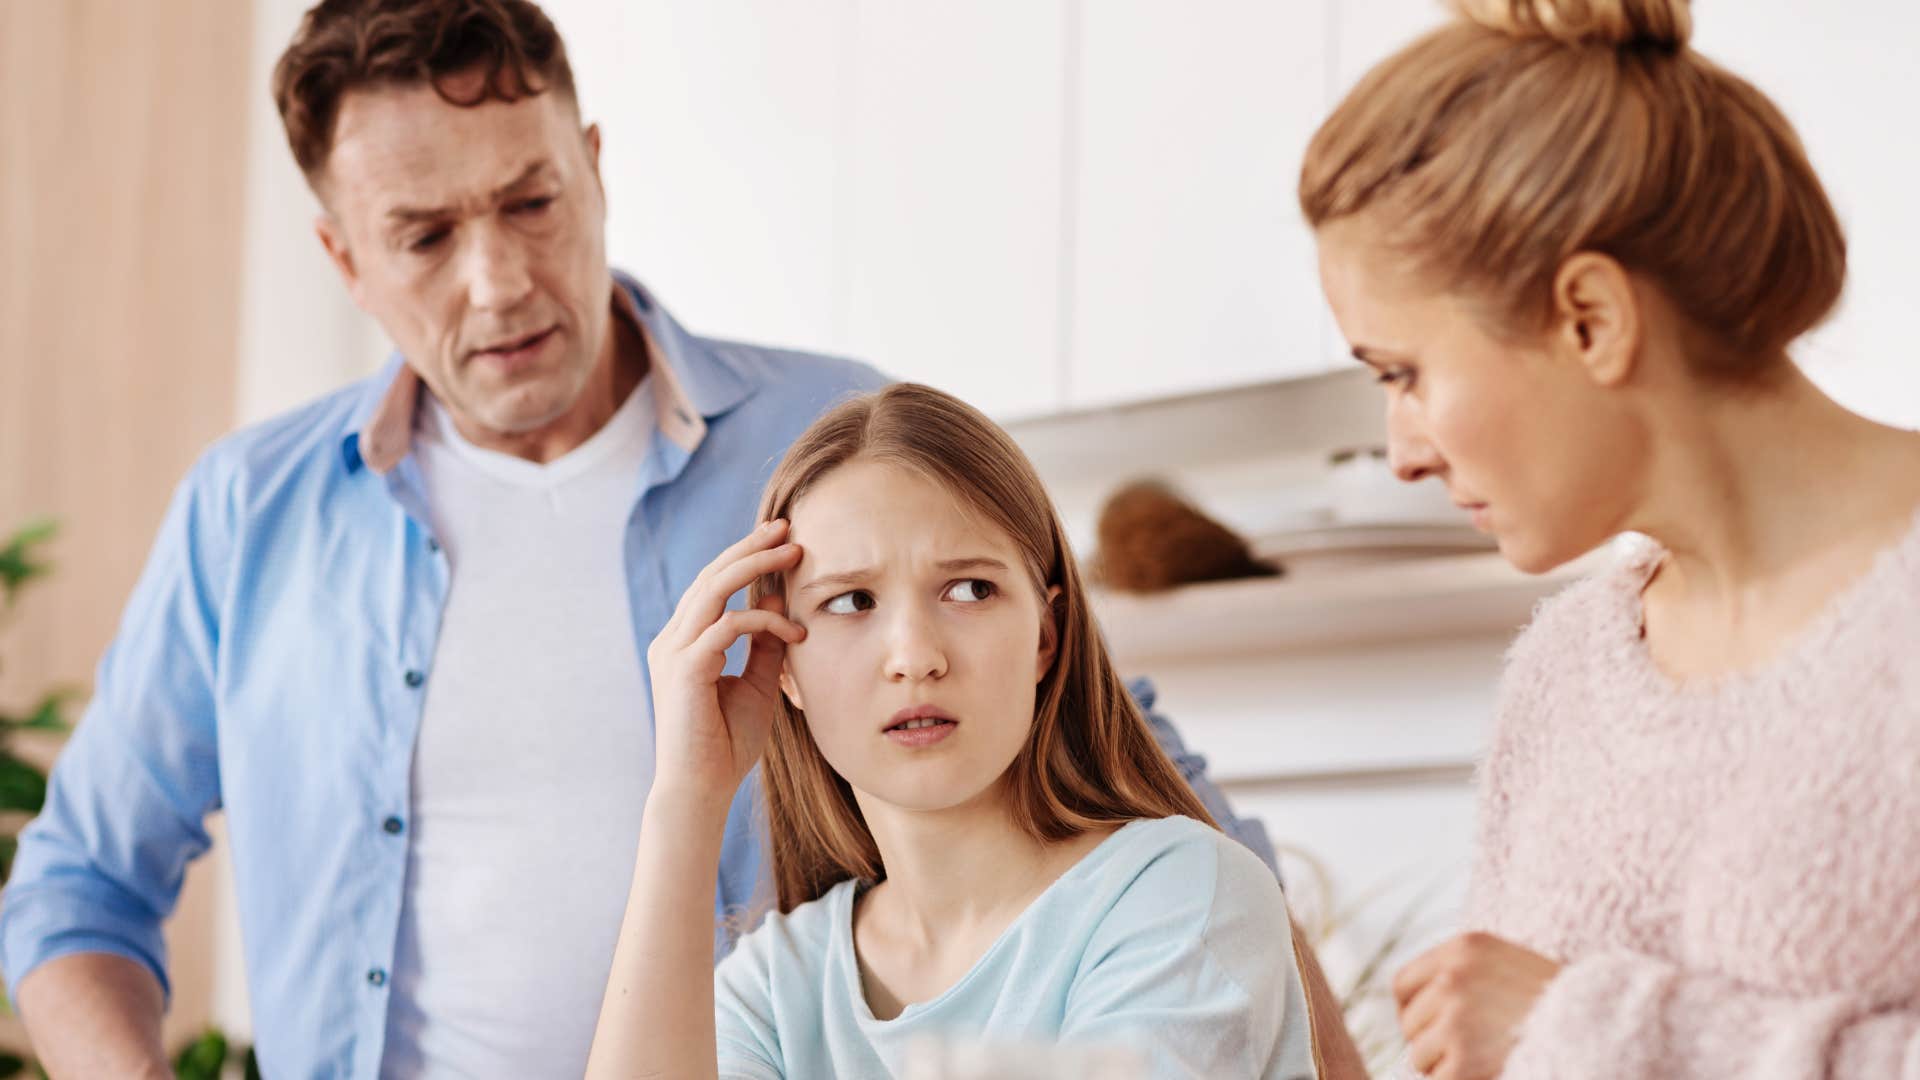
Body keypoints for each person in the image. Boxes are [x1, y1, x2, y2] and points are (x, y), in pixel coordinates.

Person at [0, 2, 1268, 1076]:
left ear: (594, 166)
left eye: (532, 200)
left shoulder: (827, 440)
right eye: (426, 237)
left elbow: (1119, 750)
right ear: (344, 259)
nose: (498, 280)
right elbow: (78, 888)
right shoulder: (249, 512)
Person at [1299, 1, 1920, 1077]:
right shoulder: (1564, 677)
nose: (1400, 453)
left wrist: (1605, 1033)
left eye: (1402, 374)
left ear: (1589, 317)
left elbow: (1555, 1031)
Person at [583, 383, 1320, 1079]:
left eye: (970, 590)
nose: (915, 659)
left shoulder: (1183, 897)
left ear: (1045, 637)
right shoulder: (775, 988)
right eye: (852, 601)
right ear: (784, 666)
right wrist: (685, 800)